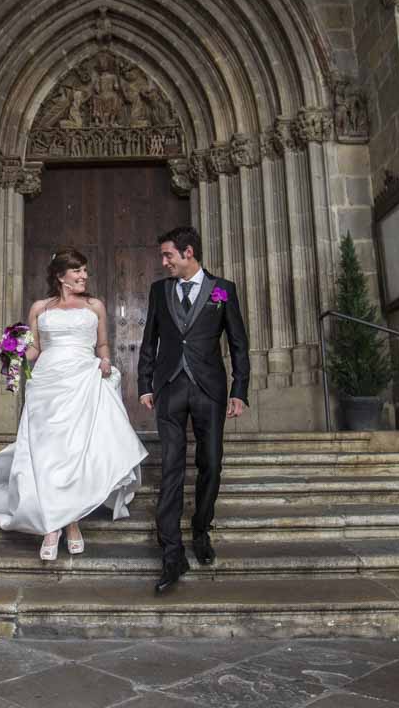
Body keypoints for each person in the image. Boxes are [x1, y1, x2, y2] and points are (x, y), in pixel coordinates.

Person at [0, 247, 149, 560]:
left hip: (82, 381)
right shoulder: (40, 308)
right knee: (48, 455)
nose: (84, 276)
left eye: (85, 270)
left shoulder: (95, 305)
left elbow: (102, 343)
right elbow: (35, 349)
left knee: (74, 454)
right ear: (60, 275)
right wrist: (13, 353)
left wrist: (106, 360)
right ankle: (59, 525)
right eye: (78, 270)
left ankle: (67, 523)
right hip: (47, 384)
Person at [138, 226, 250, 593]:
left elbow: (238, 343)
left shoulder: (222, 289)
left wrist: (239, 390)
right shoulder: (160, 290)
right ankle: (172, 553)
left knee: (211, 464)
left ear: (188, 253)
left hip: (210, 389)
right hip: (170, 388)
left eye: (168, 254)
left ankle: (201, 529)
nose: (164, 261)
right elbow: (149, 339)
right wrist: (145, 384)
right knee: (171, 467)